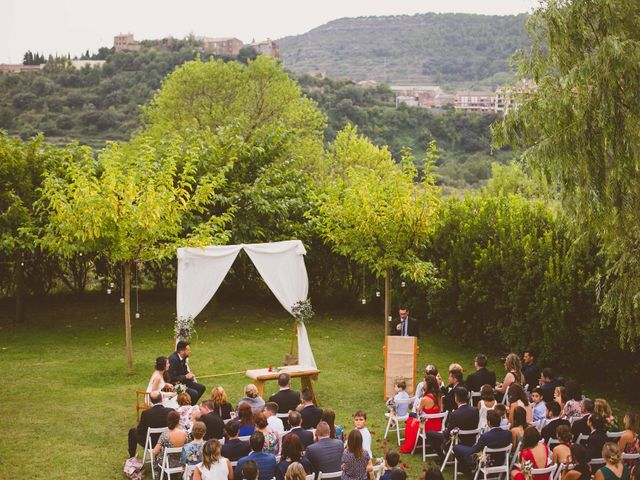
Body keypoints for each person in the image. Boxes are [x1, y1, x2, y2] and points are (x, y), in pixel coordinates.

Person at [454, 410, 512, 478]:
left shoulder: (485, 436)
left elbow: (474, 451)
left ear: (489, 422)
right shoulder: (508, 434)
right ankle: (467, 469)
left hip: (486, 461)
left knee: (456, 447)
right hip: (501, 461)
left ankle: (467, 471)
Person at [425, 387, 479, 460]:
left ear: (456, 398)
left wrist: (444, 432)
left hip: (457, 442)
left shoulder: (454, 414)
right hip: (471, 441)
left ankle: (443, 457)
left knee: (429, 433)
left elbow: (447, 434)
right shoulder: (475, 410)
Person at [401, 374, 442, 453]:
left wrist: (417, 407)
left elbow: (418, 411)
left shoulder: (425, 399)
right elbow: (440, 410)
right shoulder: (439, 395)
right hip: (437, 425)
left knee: (410, 421)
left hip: (427, 426)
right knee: (412, 418)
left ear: (428, 385)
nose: (423, 384)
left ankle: (410, 445)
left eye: (424, 382)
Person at [127, 391, 173, 458]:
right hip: (167, 441)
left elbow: (140, 430)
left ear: (151, 401)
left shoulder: (146, 413)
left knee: (132, 431)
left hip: (151, 443)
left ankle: (132, 456)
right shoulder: (170, 411)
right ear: (162, 399)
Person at [153, 410, 190, 477]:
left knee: (156, 455)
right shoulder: (186, 434)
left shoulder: (165, 435)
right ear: (178, 420)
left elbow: (155, 451)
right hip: (183, 462)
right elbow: (189, 447)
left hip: (168, 464)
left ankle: (157, 476)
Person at [168, 341, 206, 405]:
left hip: (183, 381)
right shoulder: (173, 360)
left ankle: (190, 406)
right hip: (174, 385)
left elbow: (184, 370)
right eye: (188, 350)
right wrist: (185, 377)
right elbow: (171, 378)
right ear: (182, 351)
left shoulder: (183, 357)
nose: (190, 351)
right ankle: (186, 407)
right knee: (194, 393)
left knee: (201, 387)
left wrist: (190, 375)